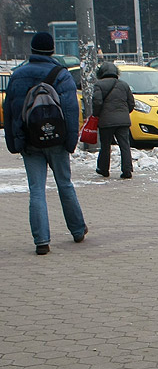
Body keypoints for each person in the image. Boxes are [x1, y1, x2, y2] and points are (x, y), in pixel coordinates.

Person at [2, 32, 88, 255]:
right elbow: (70, 111)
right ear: (52, 50)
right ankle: (77, 230)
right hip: (57, 140)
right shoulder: (61, 74)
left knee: (36, 190)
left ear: (32, 49)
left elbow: (9, 111)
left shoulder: (17, 75)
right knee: (65, 185)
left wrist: (14, 142)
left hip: (30, 142)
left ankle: (41, 240)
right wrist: (70, 142)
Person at [92, 62, 135, 179]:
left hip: (106, 121)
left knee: (105, 145)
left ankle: (103, 169)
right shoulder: (124, 85)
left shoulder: (98, 85)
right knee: (125, 145)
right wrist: (124, 113)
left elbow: (97, 102)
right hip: (123, 121)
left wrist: (96, 114)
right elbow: (131, 103)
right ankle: (127, 170)